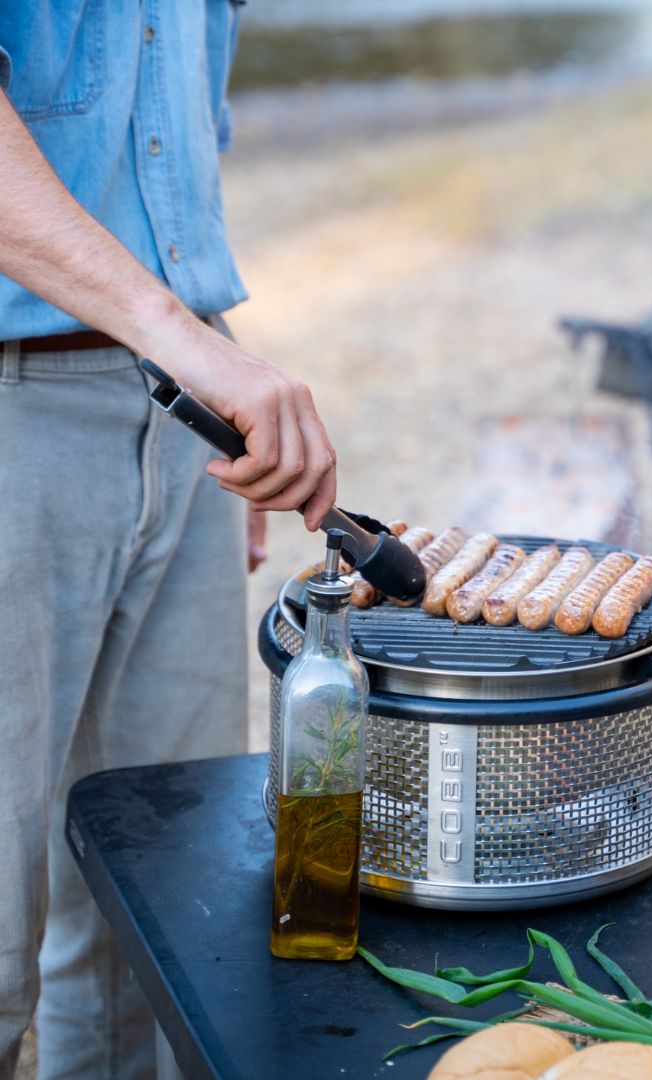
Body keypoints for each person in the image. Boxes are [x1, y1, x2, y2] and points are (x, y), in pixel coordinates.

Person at [0, 7, 337, 1078]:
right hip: (15, 412)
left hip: (175, 407)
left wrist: (214, 380)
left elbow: (173, 164)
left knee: (156, 900)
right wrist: (188, 345)